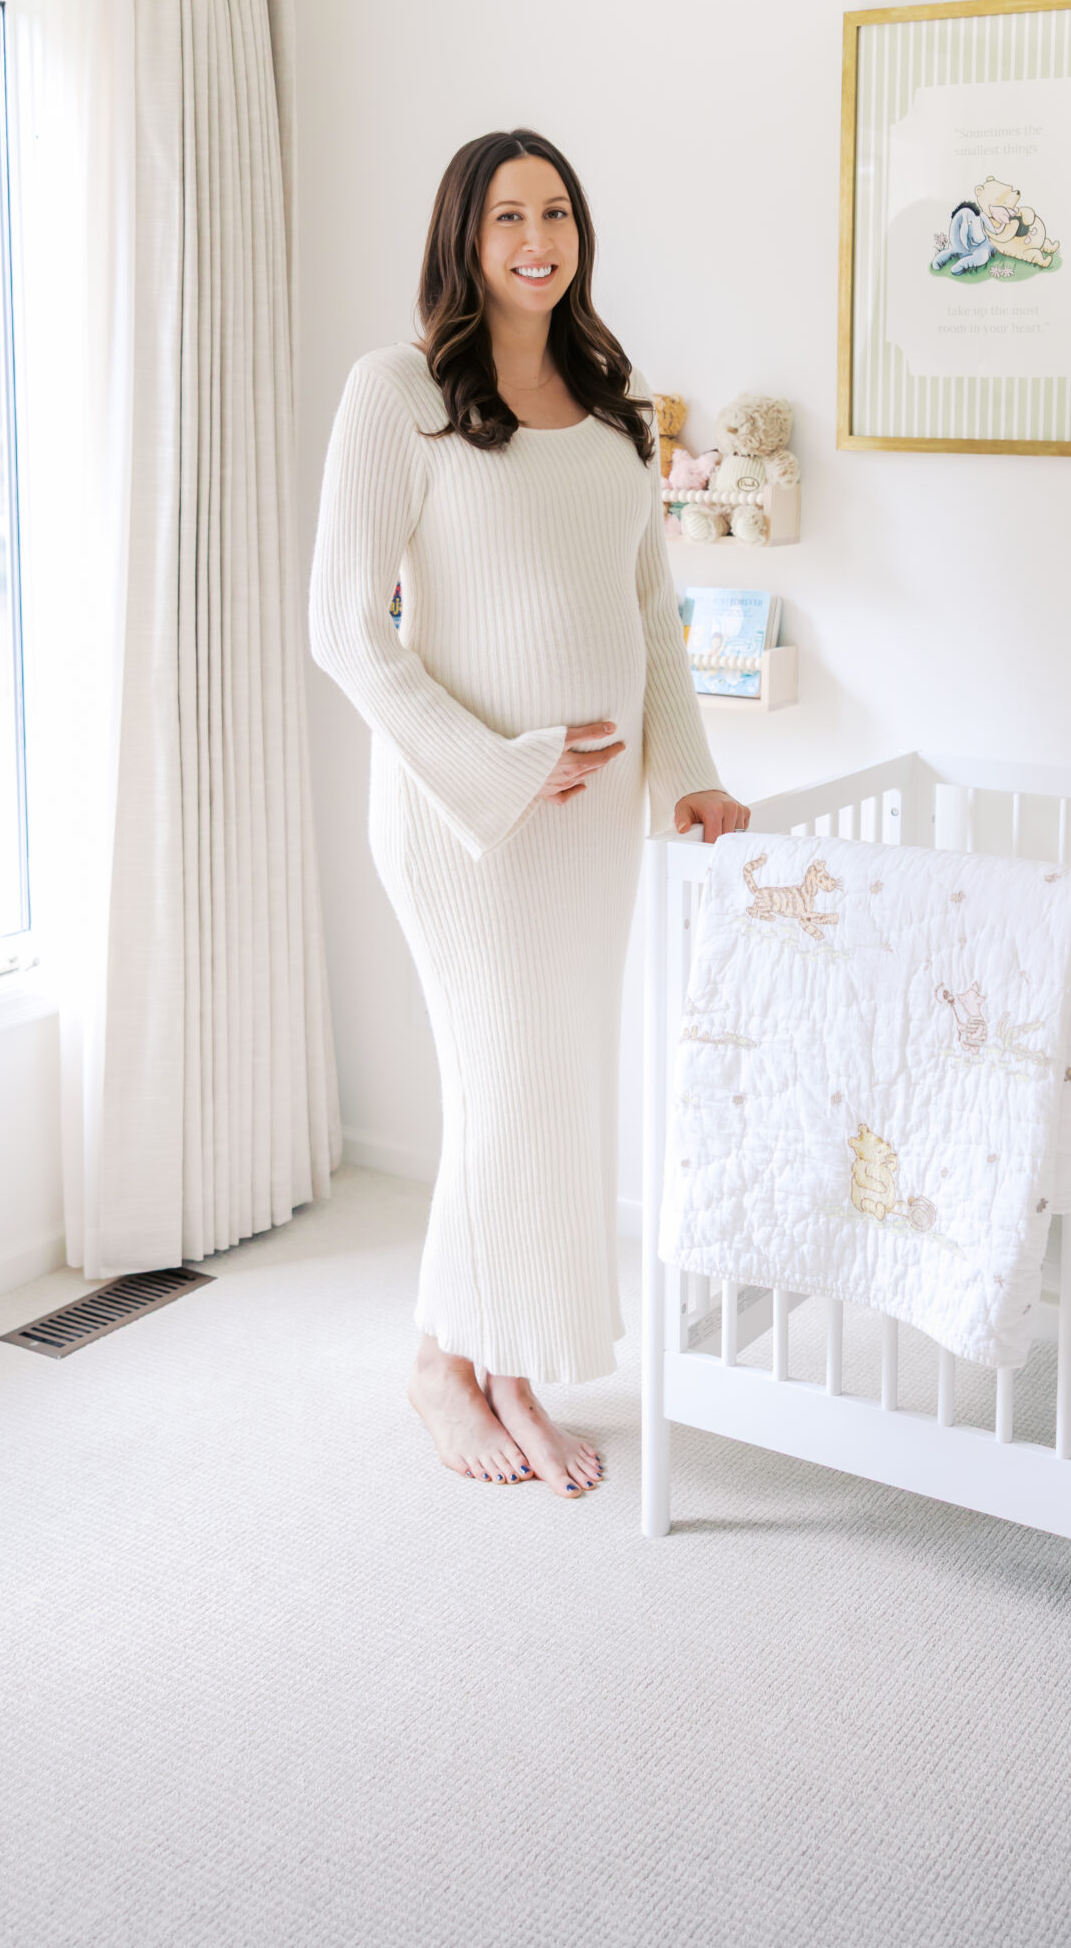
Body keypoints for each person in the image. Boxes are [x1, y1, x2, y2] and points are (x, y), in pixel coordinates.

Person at [309, 129, 749, 1497]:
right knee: (506, 1090)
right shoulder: (398, 394)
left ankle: (480, 1354)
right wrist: (497, 768)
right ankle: (476, 1373)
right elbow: (343, 628)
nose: (535, 239)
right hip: (465, 824)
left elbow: (651, 626)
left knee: (550, 1091)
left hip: (592, 827)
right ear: (465, 235)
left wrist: (687, 778)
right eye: (507, 216)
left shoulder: (615, 408)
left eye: (554, 212)